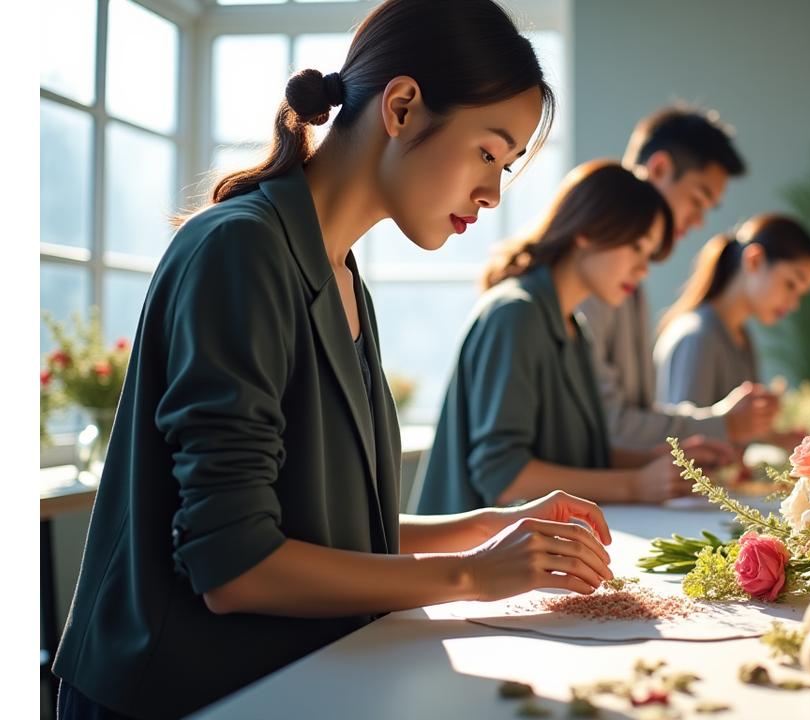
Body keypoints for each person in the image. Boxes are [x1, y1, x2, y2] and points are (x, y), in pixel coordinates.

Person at [52, 3, 615, 718]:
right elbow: (237, 565)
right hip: (179, 698)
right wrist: (473, 574)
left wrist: (488, 526)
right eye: (487, 153)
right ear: (402, 107)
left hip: (288, 683)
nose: (492, 193)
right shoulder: (240, 249)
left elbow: (332, 530)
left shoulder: (343, 276)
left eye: (505, 167)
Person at [416, 160, 733, 515]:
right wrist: (635, 484)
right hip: (473, 547)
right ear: (589, 231)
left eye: (649, 255)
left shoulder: (574, 328)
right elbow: (503, 477)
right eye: (636, 247)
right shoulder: (516, 314)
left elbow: (582, 456)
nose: (643, 269)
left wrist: (663, 465)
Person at [577, 106, 780, 454]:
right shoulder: (593, 275)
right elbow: (604, 428)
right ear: (659, 169)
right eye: (698, 200)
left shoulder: (631, 282)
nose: (699, 221)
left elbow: (636, 415)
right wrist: (722, 424)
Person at [653, 213, 810, 409]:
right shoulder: (697, 335)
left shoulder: (741, 338)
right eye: (791, 284)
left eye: (801, 294)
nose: (794, 304)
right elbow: (683, 427)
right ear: (754, 260)